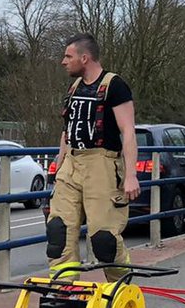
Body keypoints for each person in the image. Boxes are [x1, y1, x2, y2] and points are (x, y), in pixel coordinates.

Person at [48, 33, 140, 281]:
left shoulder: (115, 85)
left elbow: (128, 132)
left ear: (84, 58)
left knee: (103, 239)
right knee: (58, 231)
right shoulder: (74, 87)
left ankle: (120, 290)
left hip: (101, 164)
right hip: (72, 162)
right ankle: (63, 294)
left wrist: (130, 175)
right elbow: (67, 131)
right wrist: (59, 165)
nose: (63, 61)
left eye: (68, 56)